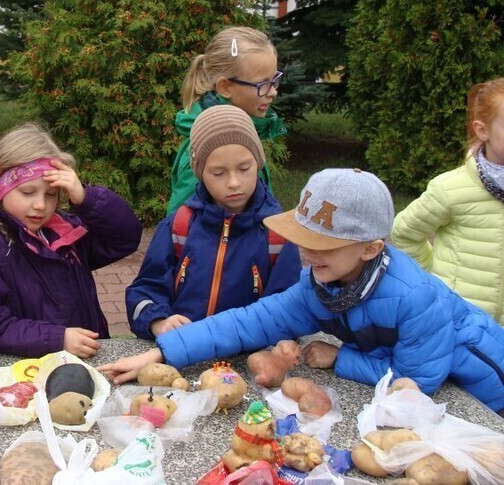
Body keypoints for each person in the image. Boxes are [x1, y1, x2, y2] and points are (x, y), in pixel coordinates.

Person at [100, 168, 504, 414]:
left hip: (485, 384)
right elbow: (249, 321)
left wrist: (340, 357)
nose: (307, 253)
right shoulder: (322, 281)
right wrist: (159, 352)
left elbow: (416, 381)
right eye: (303, 238)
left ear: (370, 248)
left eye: (323, 244)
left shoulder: (414, 296)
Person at [0, 123, 142, 359]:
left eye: (51, 194)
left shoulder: (66, 232)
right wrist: (56, 339)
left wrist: (85, 198)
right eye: (27, 192)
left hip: (86, 357)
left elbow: (124, 238)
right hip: (30, 368)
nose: (40, 205)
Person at [127, 105, 300, 340]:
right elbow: (146, 289)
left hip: (248, 359)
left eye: (244, 168)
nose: (233, 182)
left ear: (258, 163)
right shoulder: (179, 226)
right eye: (218, 173)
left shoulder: (277, 234)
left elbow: (289, 307)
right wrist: (158, 321)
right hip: (184, 352)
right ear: (200, 173)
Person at [392, 78, 504, 325]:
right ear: (482, 130)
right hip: (461, 325)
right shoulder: (451, 189)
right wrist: (434, 280)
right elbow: (404, 233)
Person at [167, 26, 288, 215]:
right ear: (225, 87)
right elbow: (180, 225)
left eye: (274, 81)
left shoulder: (243, 131)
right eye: (263, 84)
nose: (273, 92)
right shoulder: (209, 147)